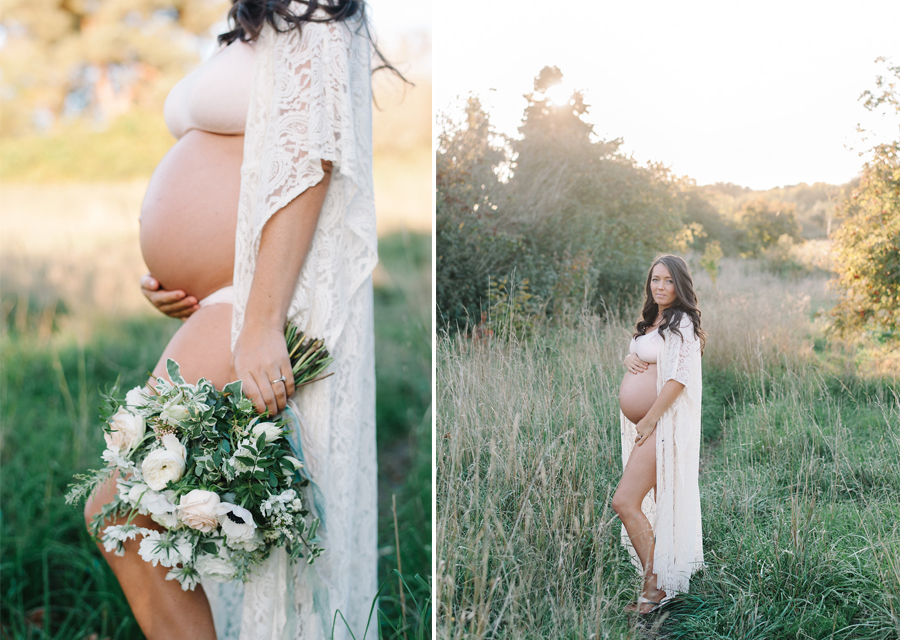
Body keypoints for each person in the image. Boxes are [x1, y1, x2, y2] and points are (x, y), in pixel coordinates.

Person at [84, 1, 389, 637]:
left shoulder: (318, 11)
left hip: (258, 301)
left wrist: (261, 322)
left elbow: (313, 159)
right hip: (220, 298)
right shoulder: (251, 20)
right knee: (159, 519)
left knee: (121, 510)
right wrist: (172, 272)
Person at [612, 254, 706, 614]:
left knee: (624, 501)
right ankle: (656, 584)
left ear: (679, 284)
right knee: (631, 502)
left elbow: (679, 378)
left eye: (668, 280)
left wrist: (650, 419)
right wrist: (629, 360)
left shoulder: (682, 322)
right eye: (655, 279)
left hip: (661, 425)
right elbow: (643, 354)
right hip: (649, 426)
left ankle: (657, 587)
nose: (661, 286)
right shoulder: (654, 319)